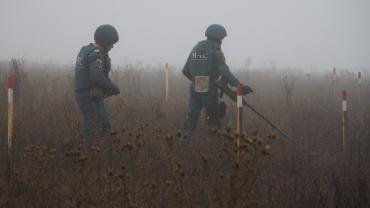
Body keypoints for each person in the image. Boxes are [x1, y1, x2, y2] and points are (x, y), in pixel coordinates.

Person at [182, 24, 253, 133]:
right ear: (218, 38)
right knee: (213, 121)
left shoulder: (196, 48)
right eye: (222, 38)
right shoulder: (215, 51)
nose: (222, 41)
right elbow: (225, 72)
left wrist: (197, 81)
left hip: (194, 88)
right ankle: (214, 146)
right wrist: (239, 86)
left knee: (191, 121)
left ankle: (183, 144)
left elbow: (185, 70)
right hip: (209, 90)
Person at [74, 24, 120, 150]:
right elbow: (96, 76)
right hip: (89, 98)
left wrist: (107, 86)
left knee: (105, 126)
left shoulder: (87, 50)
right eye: (111, 43)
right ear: (105, 42)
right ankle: (88, 159)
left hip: (89, 96)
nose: (112, 46)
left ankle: (104, 154)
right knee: (92, 130)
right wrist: (112, 86)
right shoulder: (96, 55)